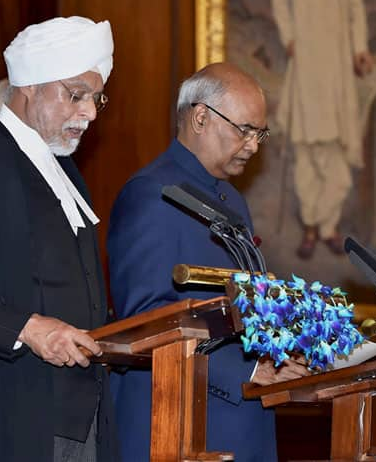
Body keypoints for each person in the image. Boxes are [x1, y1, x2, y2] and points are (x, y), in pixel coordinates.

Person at [0, 16, 120, 462]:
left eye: (96, 98)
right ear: (29, 87)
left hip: (81, 420)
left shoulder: (68, 174)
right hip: (3, 415)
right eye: (76, 94)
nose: (90, 112)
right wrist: (26, 327)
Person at [107, 62, 308, 462]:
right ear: (200, 117)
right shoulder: (153, 194)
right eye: (244, 130)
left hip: (240, 419)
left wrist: (277, 351)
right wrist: (246, 371)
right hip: (178, 421)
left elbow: (243, 305)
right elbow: (148, 317)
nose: (253, 146)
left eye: (259, 134)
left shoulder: (231, 200)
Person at [271, 0, 374, 259]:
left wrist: (360, 48)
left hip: (332, 60)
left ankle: (328, 225)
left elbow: (352, 0)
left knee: (333, 147)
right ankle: (311, 225)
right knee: (307, 148)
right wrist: (289, 35)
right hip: (306, 57)